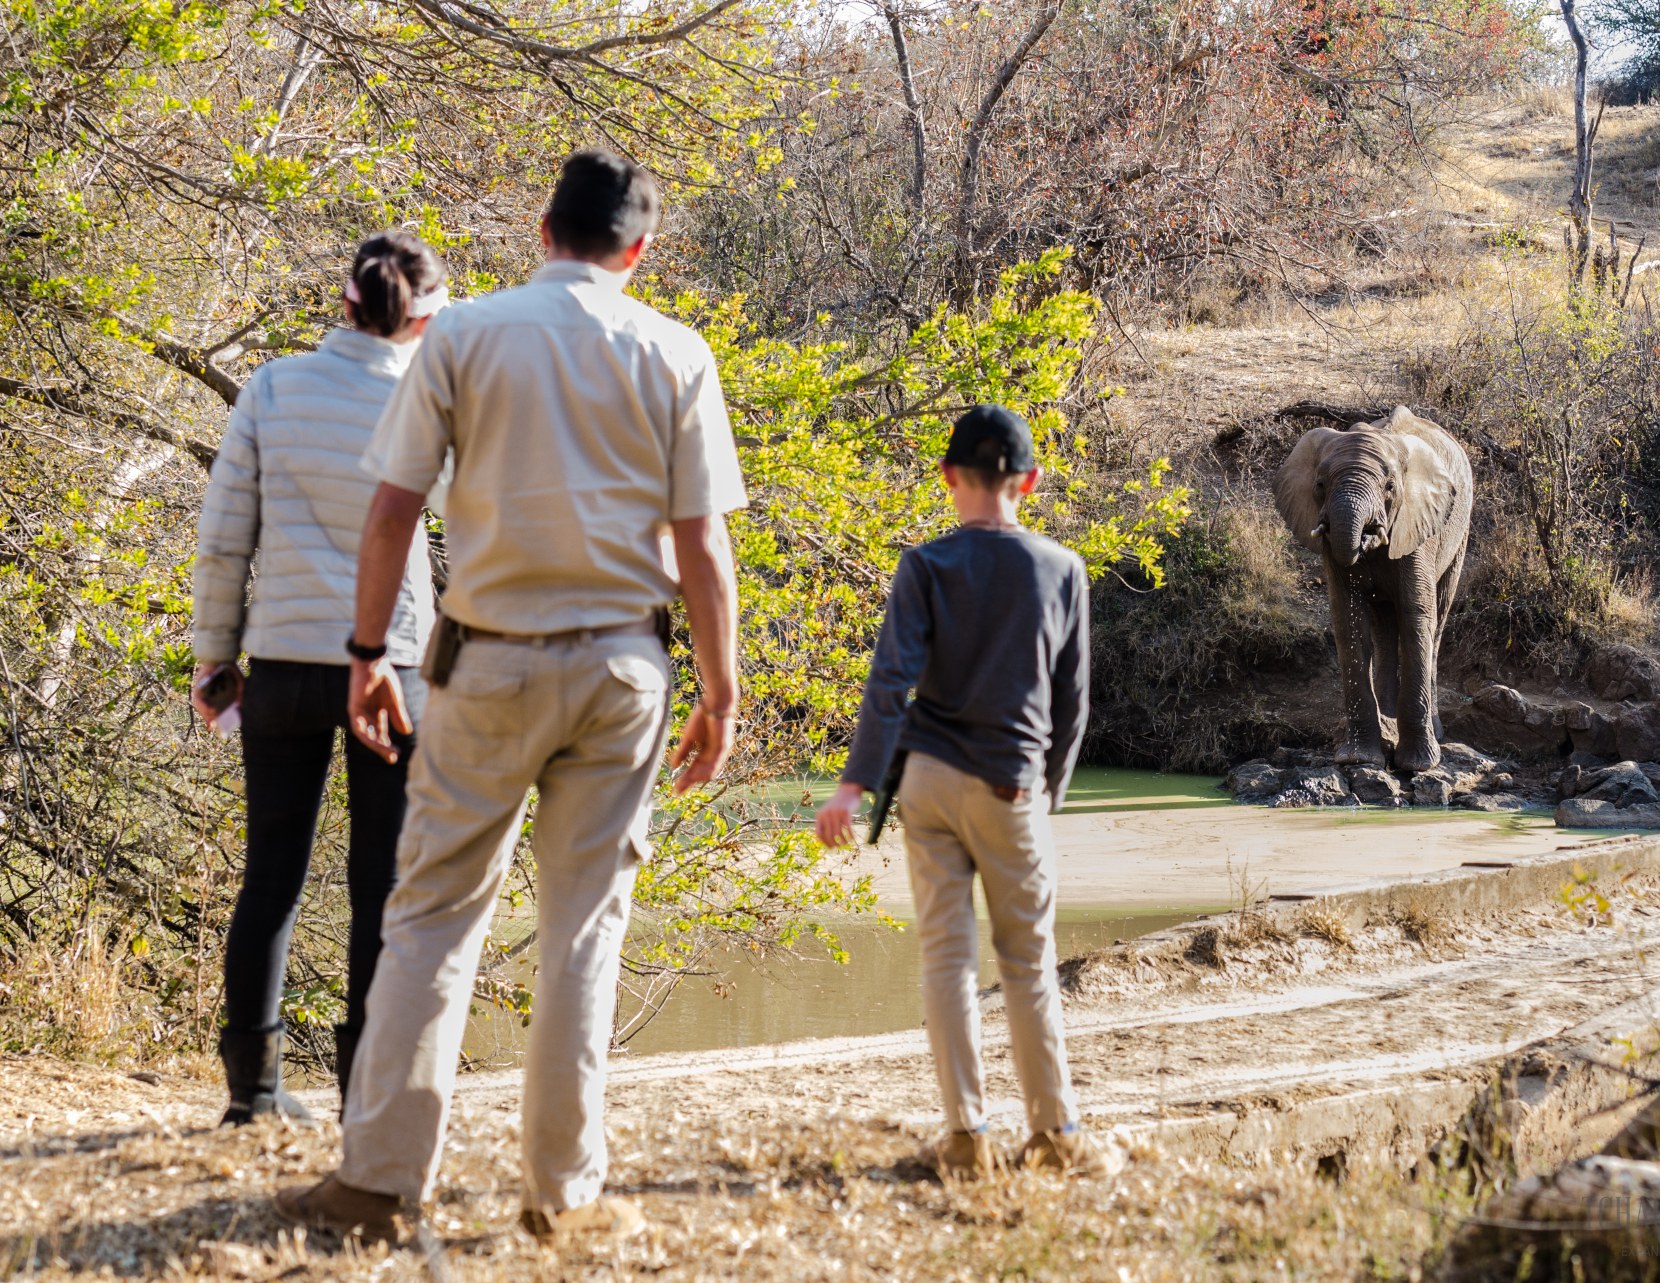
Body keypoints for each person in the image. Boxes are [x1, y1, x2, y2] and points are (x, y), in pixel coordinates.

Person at [274, 149, 744, 1243]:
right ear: (639, 249)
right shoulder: (676, 352)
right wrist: (721, 690)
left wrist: (365, 653)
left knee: (433, 909)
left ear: (543, 228)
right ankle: (559, 1190)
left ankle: (380, 1181)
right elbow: (703, 544)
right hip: (625, 666)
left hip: (485, 657)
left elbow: (392, 510)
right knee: (586, 925)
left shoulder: (467, 334)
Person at [813, 405, 1125, 1182]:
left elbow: (890, 682)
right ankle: (1054, 1132)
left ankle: (964, 1135)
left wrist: (853, 787)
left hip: (925, 782)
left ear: (949, 476)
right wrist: (1044, 793)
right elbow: (1073, 703)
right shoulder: (1062, 570)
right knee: (1026, 961)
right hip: (1008, 782)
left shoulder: (925, 565)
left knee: (946, 960)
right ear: (1030, 481)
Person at [190, 232, 450, 1126]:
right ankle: (365, 1097)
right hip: (394, 666)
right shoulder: (430, 397)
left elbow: (226, 534)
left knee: (271, 877)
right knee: (381, 885)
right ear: (426, 318)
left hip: (284, 664)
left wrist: (215, 658)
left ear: (343, 305)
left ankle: (251, 1097)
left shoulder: (273, 387)